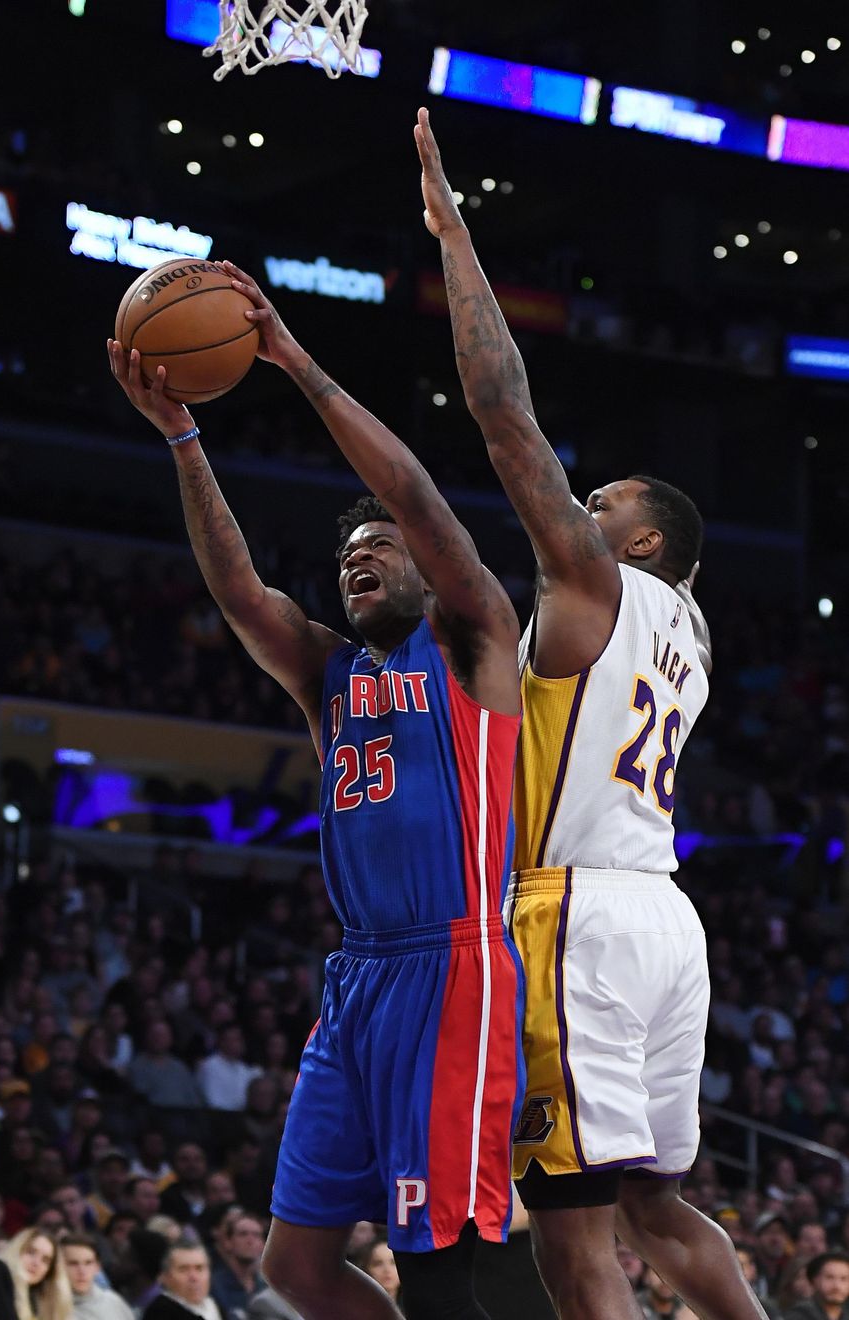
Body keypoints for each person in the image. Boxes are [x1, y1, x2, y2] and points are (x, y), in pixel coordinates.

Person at [108, 250, 524, 1320]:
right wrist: (183, 439)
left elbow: (418, 496)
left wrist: (290, 359)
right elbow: (241, 589)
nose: (358, 557)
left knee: (435, 1263)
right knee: (290, 1270)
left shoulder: (475, 639)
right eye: (345, 553)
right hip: (357, 982)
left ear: (434, 569)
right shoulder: (327, 673)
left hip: (454, 964)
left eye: (380, 546)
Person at [414, 105, 765, 1320]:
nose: (585, 502)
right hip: (668, 922)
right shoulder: (695, 632)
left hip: (575, 919)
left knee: (571, 1246)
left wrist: (450, 230)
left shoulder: (594, 584)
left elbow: (501, 410)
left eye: (603, 498)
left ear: (643, 540)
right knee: (660, 1209)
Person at [0, 1228, 72, 1320]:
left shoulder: (37, 1297)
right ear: (17, 1249)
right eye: (31, 1252)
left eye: (45, 1260)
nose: (36, 1263)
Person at [62, 1233, 134, 1320]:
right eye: (73, 1263)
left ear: (97, 1267)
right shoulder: (49, 1308)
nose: (82, 1271)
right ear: (59, 1267)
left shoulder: (114, 1302)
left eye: (88, 1263)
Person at [141, 1243, 219, 1320]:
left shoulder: (213, 1305)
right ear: (165, 1277)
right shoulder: (159, 1313)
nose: (194, 1277)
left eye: (199, 1268)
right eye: (183, 1269)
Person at [210, 1216, 265, 1320]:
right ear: (228, 1242)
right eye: (243, 1234)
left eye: (256, 1235)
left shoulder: (267, 1287)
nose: (250, 1240)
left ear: (263, 1245)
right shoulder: (213, 1285)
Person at [784, 1252, 849, 1319]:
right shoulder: (799, 1315)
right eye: (829, 1277)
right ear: (814, 1281)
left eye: (844, 1279)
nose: (837, 1286)